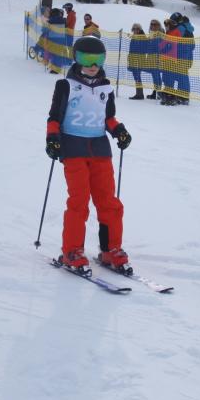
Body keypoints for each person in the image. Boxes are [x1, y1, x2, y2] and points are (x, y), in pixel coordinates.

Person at [46, 36, 133, 274]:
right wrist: (52, 138)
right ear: (76, 58)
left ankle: (111, 249)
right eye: (87, 59)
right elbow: (54, 117)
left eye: (98, 60)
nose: (93, 65)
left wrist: (119, 130)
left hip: (100, 150)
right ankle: (72, 250)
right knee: (79, 202)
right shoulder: (65, 86)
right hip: (73, 149)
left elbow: (108, 118)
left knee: (109, 202)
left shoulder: (106, 88)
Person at [159, 16, 183, 104]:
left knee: (170, 76)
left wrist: (164, 48)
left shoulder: (175, 32)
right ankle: (167, 93)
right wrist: (160, 47)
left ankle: (171, 95)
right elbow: (165, 42)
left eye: (167, 25)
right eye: (165, 26)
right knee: (165, 76)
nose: (165, 27)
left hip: (171, 57)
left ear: (170, 25)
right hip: (165, 57)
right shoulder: (168, 32)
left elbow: (172, 44)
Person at [175, 14, 195, 105]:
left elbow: (175, 42)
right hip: (188, 57)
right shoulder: (189, 29)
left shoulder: (181, 28)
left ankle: (184, 97)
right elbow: (193, 45)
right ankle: (182, 95)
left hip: (181, 56)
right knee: (182, 75)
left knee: (182, 76)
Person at [127, 24, 147, 99]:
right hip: (133, 59)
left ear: (139, 29)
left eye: (137, 29)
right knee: (136, 76)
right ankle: (139, 93)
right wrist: (130, 57)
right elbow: (131, 48)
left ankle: (139, 94)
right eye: (134, 29)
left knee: (137, 76)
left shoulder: (143, 37)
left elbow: (144, 48)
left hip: (139, 59)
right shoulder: (133, 37)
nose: (135, 30)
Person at [145, 19, 164, 99]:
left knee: (156, 74)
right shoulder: (151, 33)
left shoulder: (160, 33)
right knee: (154, 74)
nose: (153, 26)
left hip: (157, 57)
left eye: (155, 24)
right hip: (151, 56)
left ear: (158, 25)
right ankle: (155, 91)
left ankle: (158, 92)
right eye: (151, 24)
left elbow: (161, 45)